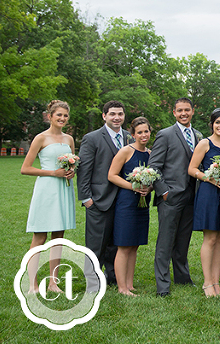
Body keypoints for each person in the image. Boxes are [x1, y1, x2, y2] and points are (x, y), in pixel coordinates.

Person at [22, 100, 76, 294]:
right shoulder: (40, 138)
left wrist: (71, 172)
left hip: (64, 189)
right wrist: (53, 173)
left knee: (59, 237)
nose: (62, 118)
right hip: (47, 189)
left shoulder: (69, 139)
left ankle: (54, 283)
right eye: (59, 115)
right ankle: (32, 284)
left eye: (65, 115)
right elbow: (25, 168)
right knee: (40, 237)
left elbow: (71, 164)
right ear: (50, 116)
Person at [150, 97, 203, 297]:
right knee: (165, 241)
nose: (183, 113)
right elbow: (154, 166)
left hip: (191, 196)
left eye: (187, 110)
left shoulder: (198, 136)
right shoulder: (165, 134)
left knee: (183, 240)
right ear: (174, 112)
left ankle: (182, 278)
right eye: (179, 110)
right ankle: (162, 285)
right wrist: (164, 191)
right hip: (170, 196)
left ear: (192, 111)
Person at [78, 100, 132, 289]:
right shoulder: (92, 138)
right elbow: (84, 170)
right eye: (112, 114)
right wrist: (86, 199)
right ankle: (92, 283)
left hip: (123, 200)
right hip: (98, 199)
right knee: (96, 244)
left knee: (116, 243)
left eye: (120, 114)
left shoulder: (129, 138)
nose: (117, 117)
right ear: (104, 116)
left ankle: (113, 277)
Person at [189, 108, 220, 297]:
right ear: (212, 124)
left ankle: (217, 282)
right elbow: (192, 169)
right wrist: (209, 178)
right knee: (210, 238)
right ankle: (207, 283)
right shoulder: (204, 143)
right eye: (217, 122)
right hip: (209, 193)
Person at [107, 117, 153, 296]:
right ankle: (122, 288)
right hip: (126, 202)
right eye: (139, 132)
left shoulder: (150, 153)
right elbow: (112, 175)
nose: (143, 135)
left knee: (135, 244)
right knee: (124, 245)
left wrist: (148, 188)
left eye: (146, 131)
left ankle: (130, 283)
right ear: (132, 134)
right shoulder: (125, 151)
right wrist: (132, 186)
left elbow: (153, 177)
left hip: (143, 203)